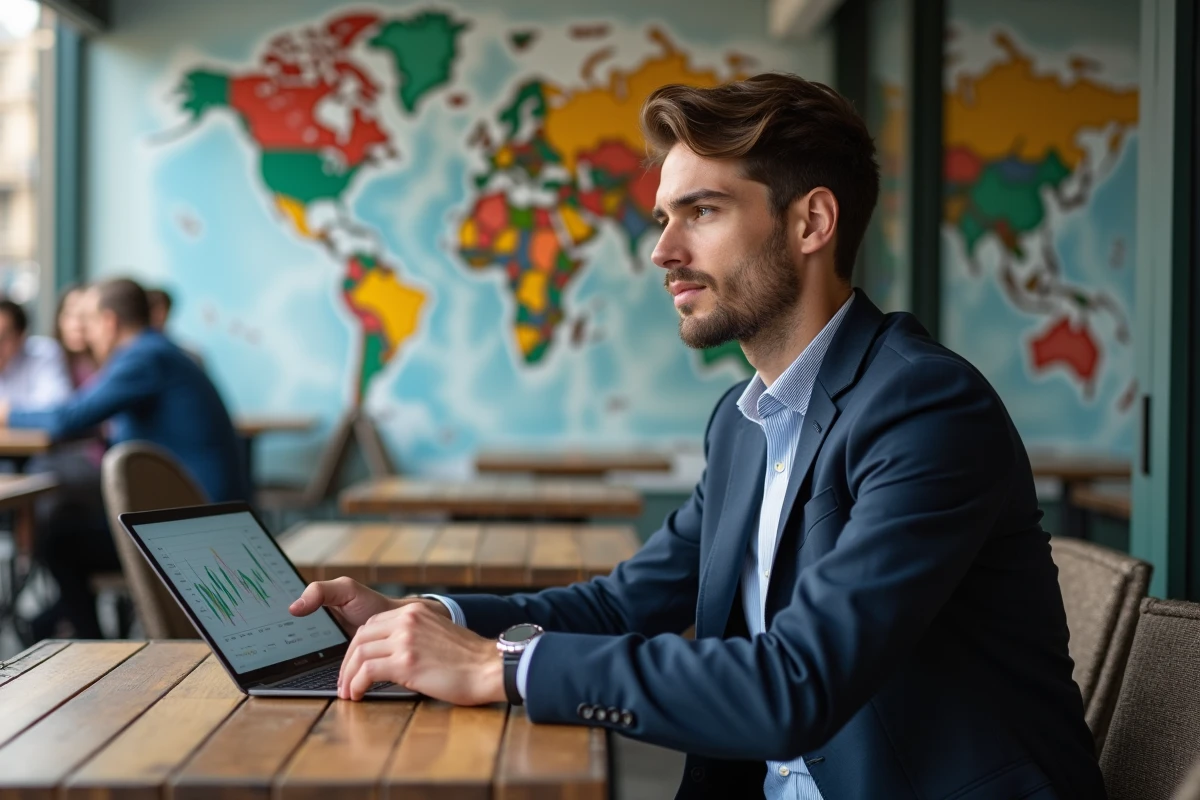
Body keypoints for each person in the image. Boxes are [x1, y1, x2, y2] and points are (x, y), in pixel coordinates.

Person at [290, 74, 1104, 800]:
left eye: (701, 213)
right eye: (662, 219)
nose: (662, 252)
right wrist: (427, 616)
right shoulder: (745, 423)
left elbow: (797, 683)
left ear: (811, 221)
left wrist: (496, 667)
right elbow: (623, 603)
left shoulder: (925, 407)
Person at [1, 278, 249, 640]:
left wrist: (8, 414)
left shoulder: (142, 358)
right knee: (66, 526)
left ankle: (91, 648)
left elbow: (69, 418)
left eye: (89, 323)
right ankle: (70, 631)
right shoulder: (160, 352)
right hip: (203, 517)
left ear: (109, 322)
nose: (87, 335)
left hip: (195, 529)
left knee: (57, 540)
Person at [0, 298, 72, 409]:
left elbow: (57, 407)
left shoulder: (44, 353)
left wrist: (8, 413)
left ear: (21, 337)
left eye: (3, 337)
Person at [55, 284, 100, 389]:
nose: (77, 325)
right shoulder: (48, 360)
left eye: (86, 316)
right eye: (69, 314)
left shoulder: (111, 366)